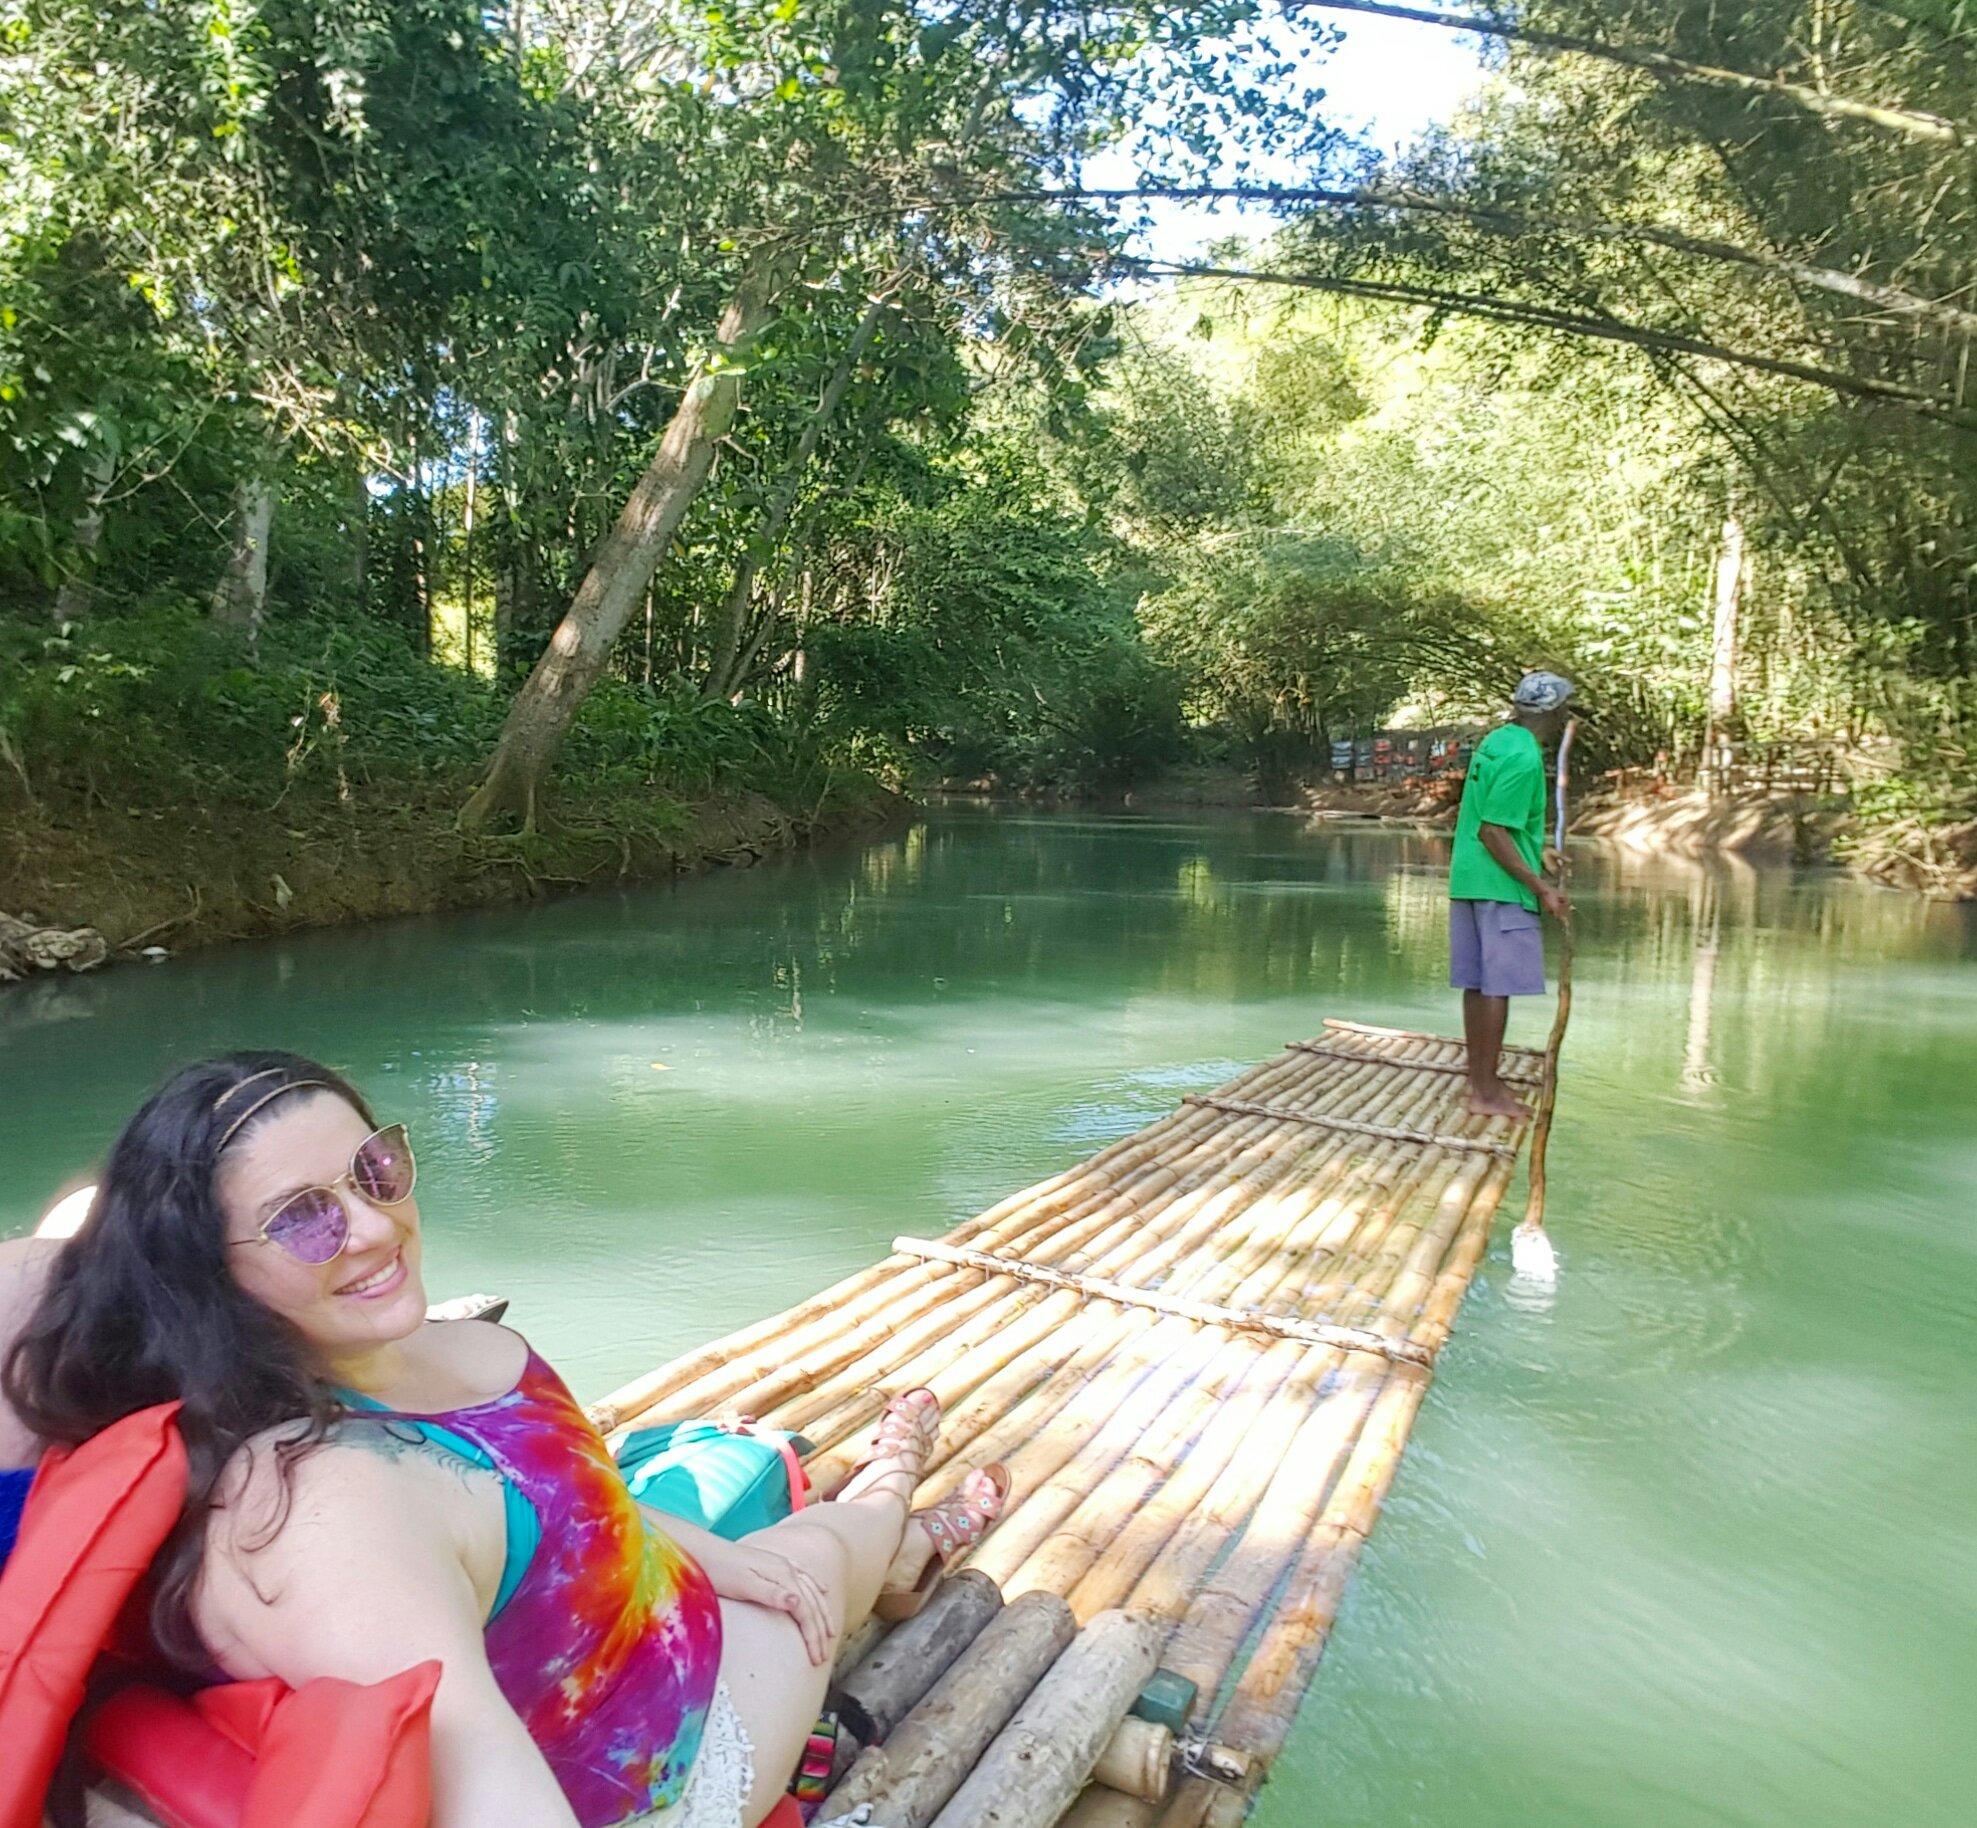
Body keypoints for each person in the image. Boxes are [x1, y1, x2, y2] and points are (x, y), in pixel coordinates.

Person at [3, 1053, 1010, 1828]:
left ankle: (897, 1518)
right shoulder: (318, 1502)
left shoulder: (434, 1350)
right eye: (303, 1219)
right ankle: (904, 1497)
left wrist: (708, 1556)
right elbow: (478, 1768)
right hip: (666, 1763)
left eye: (375, 1168)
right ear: (203, 1270)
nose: (373, 1227)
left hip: (658, 1609)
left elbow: (574, 1500)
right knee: (830, 1547)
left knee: (779, 1560)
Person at [1449, 672, 1573, 1119]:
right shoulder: (1524, 758)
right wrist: (1540, 888)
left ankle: (1480, 1081)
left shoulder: (1498, 740)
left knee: (1477, 984)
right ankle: (1484, 1092)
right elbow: (1493, 830)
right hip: (1500, 885)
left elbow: (1499, 820)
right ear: (1554, 713)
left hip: (1469, 878)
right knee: (1497, 988)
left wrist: (1540, 853)